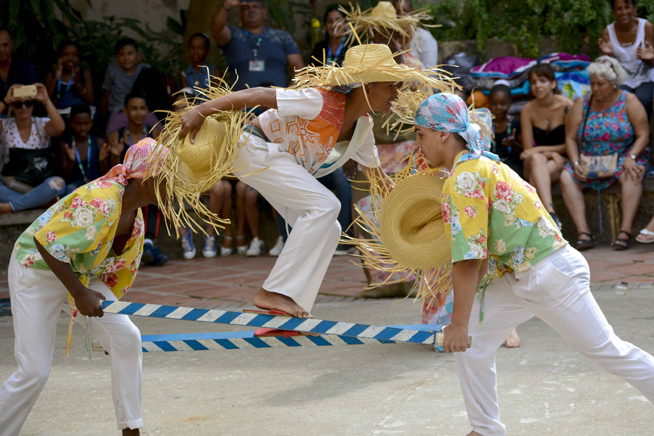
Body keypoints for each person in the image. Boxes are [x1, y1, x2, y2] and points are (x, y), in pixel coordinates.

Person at [413, 92, 654, 436]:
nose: (417, 143)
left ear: (442, 134)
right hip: (521, 275)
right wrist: (462, 325)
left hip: (549, 273)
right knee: (475, 344)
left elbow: (468, 260)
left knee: (609, 352)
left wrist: (457, 323)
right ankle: (485, 430)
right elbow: (477, 256)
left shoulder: (465, 177)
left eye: (420, 134)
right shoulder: (477, 166)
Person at [178, 43, 441, 319]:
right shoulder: (319, 100)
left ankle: (292, 303)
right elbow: (257, 94)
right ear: (366, 86)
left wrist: (418, 214)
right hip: (253, 146)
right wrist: (202, 110)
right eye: (391, 86)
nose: (397, 93)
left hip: (274, 159)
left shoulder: (363, 128)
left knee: (331, 229)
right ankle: (274, 292)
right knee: (326, 205)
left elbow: (380, 182)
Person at [560, 56, 650, 251]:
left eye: (601, 84)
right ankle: (583, 232)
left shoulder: (629, 101)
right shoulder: (582, 103)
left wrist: (631, 156)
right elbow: (570, 138)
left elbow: (643, 135)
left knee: (633, 173)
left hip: (622, 155)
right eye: (592, 84)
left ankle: (625, 231)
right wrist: (575, 163)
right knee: (567, 177)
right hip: (590, 159)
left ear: (613, 83)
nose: (595, 89)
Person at [171, 90, 234, 259]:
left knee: (221, 187)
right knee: (157, 191)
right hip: (179, 182)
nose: (182, 112)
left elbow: (219, 160)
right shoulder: (167, 133)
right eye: (178, 108)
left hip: (203, 179)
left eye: (186, 107)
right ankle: (184, 234)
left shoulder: (208, 128)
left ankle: (210, 233)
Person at [108, 92, 167, 266]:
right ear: (125, 111)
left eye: (142, 108)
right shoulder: (115, 136)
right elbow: (111, 170)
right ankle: (140, 247)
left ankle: (147, 243)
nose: (139, 113)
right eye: (134, 109)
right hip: (126, 184)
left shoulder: (156, 132)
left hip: (147, 183)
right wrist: (114, 156)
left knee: (153, 192)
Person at [520, 63, 574, 229]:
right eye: (533, 82)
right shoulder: (527, 110)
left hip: (560, 163)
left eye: (542, 81)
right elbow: (528, 151)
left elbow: (572, 143)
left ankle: (546, 218)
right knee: (536, 159)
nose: (538, 86)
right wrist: (550, 153)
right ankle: (550, 212)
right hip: (538, 162)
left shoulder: (567, 106)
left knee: (537, 171)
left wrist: (541, 151)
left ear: (553, 83)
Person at [0, 84, 66, 214]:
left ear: (33, 104)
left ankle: (11, 207)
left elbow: (60, 128)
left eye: (28, 103)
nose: (23, 107)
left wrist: (45, 100)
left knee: (58, 183)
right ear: (12, 106)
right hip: (14, 183)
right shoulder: (5, 124)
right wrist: (5, 101)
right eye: (18, 104)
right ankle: (42, 202)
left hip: (40, 182)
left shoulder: (42, 123)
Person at [211, 0, 305, 91]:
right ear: (240, 15)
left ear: (264, 13)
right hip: (240, 103)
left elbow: (298, 65)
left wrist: (290, 92)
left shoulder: (282, 37)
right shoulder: (233, 34)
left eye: (255, 6)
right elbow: (217, 30)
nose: (251, 10)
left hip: (276, 103)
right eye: (246, 8)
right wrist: (226, 7)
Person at [599, 0, 654, 118]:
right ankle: (625, 134)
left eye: (627, 7)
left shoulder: (646, 27)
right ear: (613, 12)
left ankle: (643, 133)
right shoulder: (608, 32)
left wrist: (650, 58)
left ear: (634, 9)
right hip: (622, 79)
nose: (624, 12)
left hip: (646, 77)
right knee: (621, 99)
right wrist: (608, 55)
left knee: (643, 99)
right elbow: (607, 68)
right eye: (619, 9)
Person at [101, 38, 159, 136]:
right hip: (119, 112)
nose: (126, 58)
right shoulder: (112, 70)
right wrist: (102, 118)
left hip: (142, 112)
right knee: (110, 137)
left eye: (130, 53)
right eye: (121, 54)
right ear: (116, 57)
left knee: (164, 135)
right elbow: (107, 95)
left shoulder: (145, 69)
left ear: (138, 55)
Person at [60, 105, 109, 195]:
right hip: (75, 186)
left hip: (96, 183)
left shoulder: (99, 142)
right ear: (71, 124)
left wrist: (102, 161)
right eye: (78, 124)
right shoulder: (66, 145)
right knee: (69, 191)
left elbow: (107, 177)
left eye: (86, 123)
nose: (82, 127)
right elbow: (65, 178)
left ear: (91, 123)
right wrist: (71, 161)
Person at [44, 40, 95, 110]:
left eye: (74, 55)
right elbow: (45, 103)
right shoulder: (51, 75)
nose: (70, 59)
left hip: (79, 116)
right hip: (58, 116)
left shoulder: (84, 74)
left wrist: (77, 83)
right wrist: (55, 79)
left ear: (78, 58)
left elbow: (91, 101)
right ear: (59, 58)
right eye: (66, 55)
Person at [488, 82, 523, 176]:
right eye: (494, 104)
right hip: (491, 165)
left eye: (503, 104)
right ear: (489, 104)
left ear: (510, 104)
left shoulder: (515, 123)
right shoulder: (485, 124)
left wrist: (513, 144)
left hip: (512, 166)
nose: (498, 107)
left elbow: (524, 151)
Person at [393, 0, 438, 69]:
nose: (402, 16)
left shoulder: (424, 37)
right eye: (397, 12)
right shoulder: (391, 38)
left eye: (405, 11)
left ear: (412, 13)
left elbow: (431, 71)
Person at [0, 30, 38, 106]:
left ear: (12, 45)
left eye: (5, 45)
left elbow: (32, 98)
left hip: (22, 115)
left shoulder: (26, 67)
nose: (1, 50)